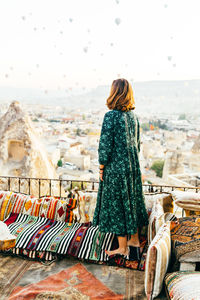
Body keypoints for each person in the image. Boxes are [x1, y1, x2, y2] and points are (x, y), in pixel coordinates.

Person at [92, 78, 148, 259]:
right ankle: (134, 242)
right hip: (132, 168)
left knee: (118, 206)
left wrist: (101, 167)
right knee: (131, 203)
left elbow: (105, 145)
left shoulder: (111, 116)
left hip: (115, 169)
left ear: (114, 92)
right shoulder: (134, 117)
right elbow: (137, 145)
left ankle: (122, 248)